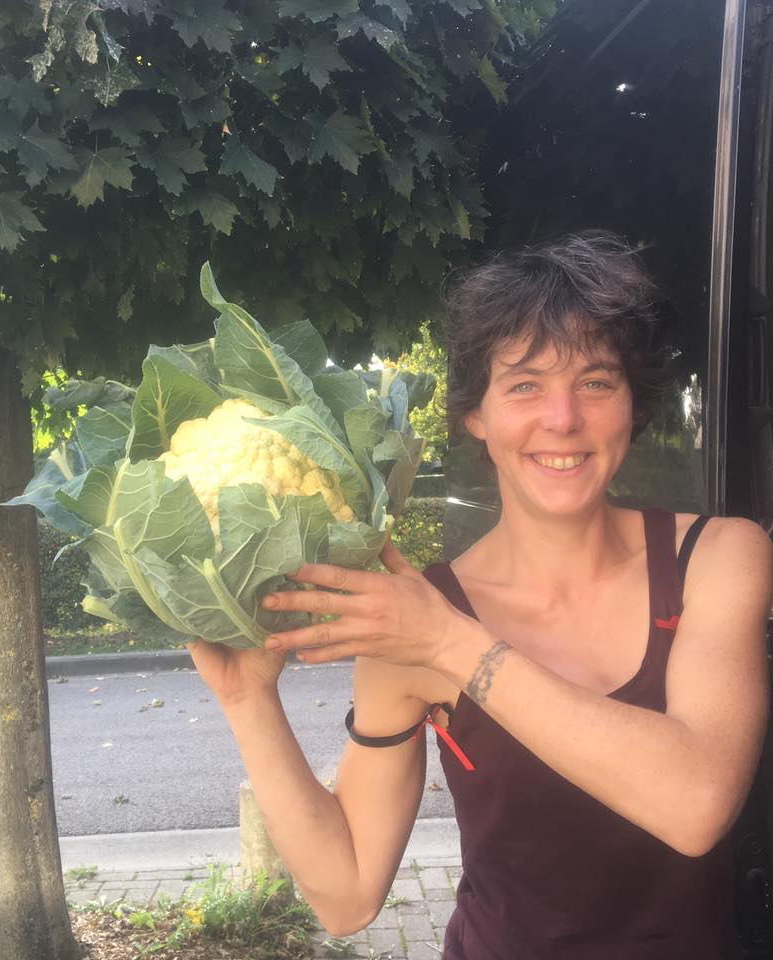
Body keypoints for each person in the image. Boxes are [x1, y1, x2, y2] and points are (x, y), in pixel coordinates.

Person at [186, 231, 772, 959]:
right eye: (524, 385)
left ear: (633, 405)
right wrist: (248, 702)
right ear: (477, 416)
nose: (563, 418)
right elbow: (347, 895)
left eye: (596, 382)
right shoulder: (415, 622)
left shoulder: (717, 558)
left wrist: (451, 644)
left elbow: (696, 803)